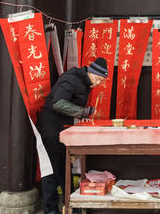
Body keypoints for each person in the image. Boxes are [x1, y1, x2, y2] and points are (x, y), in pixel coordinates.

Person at [37, 57, 109, 214]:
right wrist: (82, 111)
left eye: (101, 81)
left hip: (63, 129)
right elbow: (58, 103)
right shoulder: (72, 79)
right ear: (90, 71)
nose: (97, 84)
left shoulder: (85, 82)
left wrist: (82, 112)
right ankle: (50, 210)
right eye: (97, 79)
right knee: (52, 169)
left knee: (65, 168)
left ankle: (71, 206)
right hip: (50, 128)